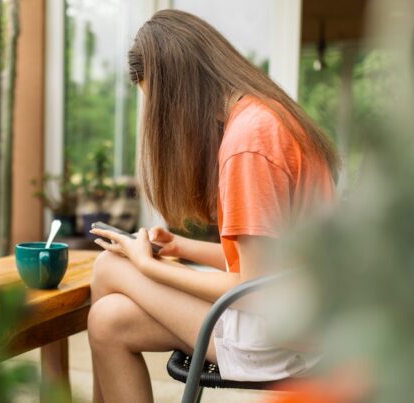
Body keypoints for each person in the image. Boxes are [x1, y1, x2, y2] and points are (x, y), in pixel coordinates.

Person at [87, 9, 339, 403]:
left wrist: (148, 266)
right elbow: (265, 265)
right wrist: (180, 247)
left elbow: (253, 291)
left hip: (283, 335)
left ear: (180, 93)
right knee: (107, 319)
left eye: (159, 106)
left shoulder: (248, 142)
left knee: (108, 268)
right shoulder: (266, 115)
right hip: (303, 316)